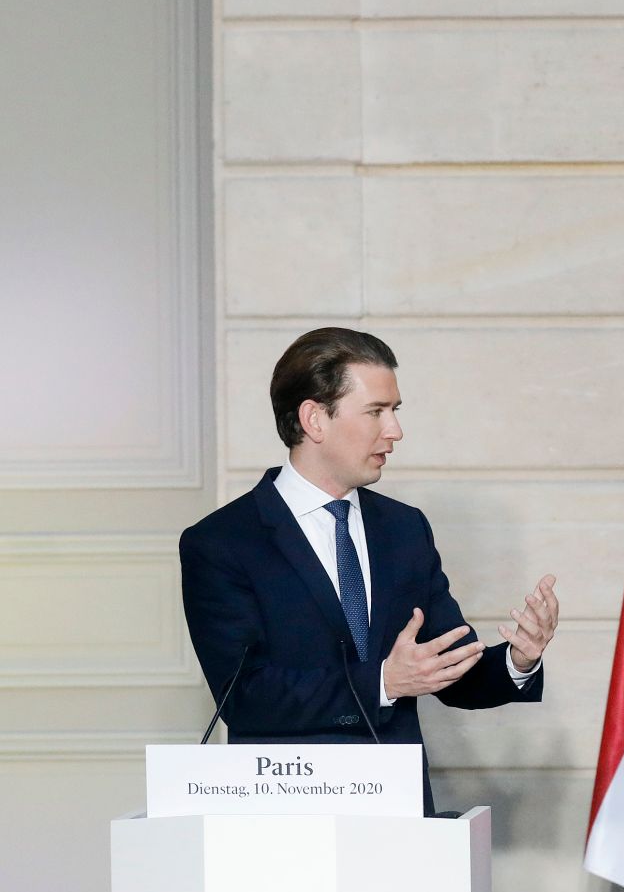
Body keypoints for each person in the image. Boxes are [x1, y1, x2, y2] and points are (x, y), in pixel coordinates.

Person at [179, 327, 558, 814]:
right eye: (377, 411)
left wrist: (518, 661)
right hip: (283, 823)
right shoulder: (222, 542)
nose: (395, 431)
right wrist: (383, 682)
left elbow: (446, 669)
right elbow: (246, 696)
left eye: (395, 411)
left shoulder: (404, 529)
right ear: (315, 419)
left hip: (399, 820)